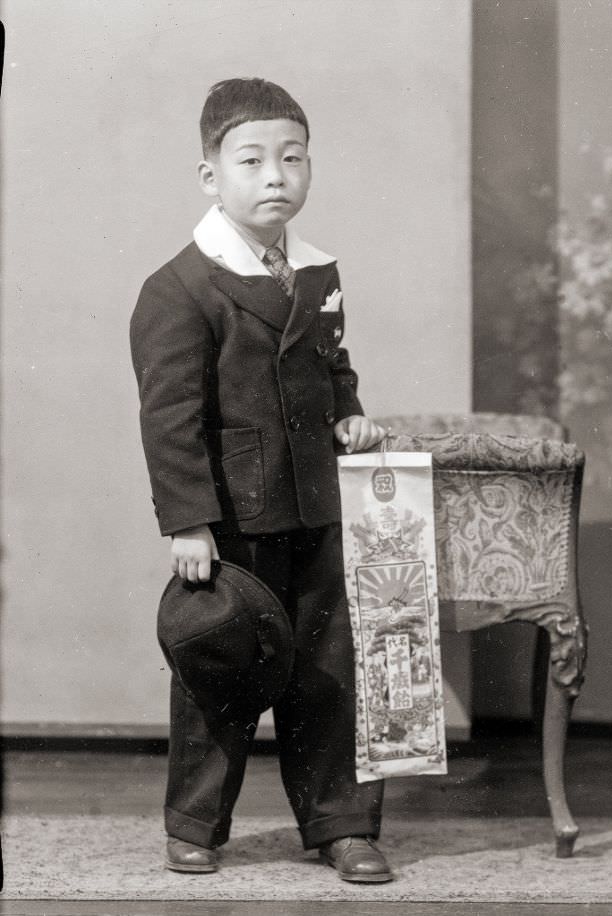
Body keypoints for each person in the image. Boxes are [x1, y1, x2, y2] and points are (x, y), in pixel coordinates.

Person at [130, 77, 392, 883]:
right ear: (212, 176)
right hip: (232, 521)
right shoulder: (179, 288)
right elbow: (169, 420)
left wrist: (349, 413)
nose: (276, 176)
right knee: (223, 672)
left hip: (316, 504)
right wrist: (187, 523)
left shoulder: (314, 272)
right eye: (252, 161)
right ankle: (197, 824)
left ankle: (340, 824)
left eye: (293, 158)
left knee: (327, 670)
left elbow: (329, 365)